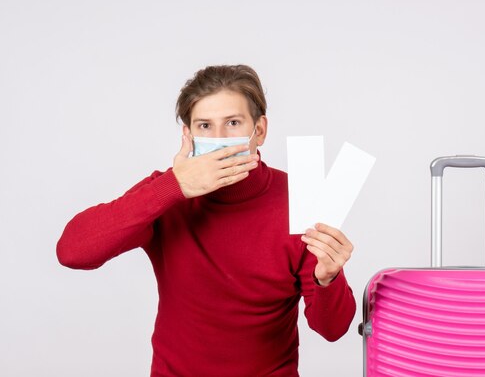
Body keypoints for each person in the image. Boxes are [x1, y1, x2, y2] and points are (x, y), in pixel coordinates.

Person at [56, 65, 357, 377]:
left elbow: (333, 329)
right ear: (188, 135)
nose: (219, 138)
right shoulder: (167, 194)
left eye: (233, 122)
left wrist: (327, 278)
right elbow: (73, 252)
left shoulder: (301, 198)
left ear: (260, 130)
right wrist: (173, 187)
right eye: (204, 126)